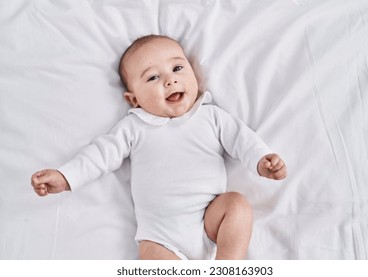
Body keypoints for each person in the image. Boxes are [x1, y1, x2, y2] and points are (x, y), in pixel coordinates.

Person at [31, 35, 287, 260]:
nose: (170, 80)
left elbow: (242, 139)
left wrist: (262, 161)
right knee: (153, 259)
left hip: (210, 219)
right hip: (161, 237)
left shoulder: (211, 116)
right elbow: (100, 155)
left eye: (177, 68)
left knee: (238, 205)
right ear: (134, 99)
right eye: (153, 77)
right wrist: (66, 176)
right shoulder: (134, 126)